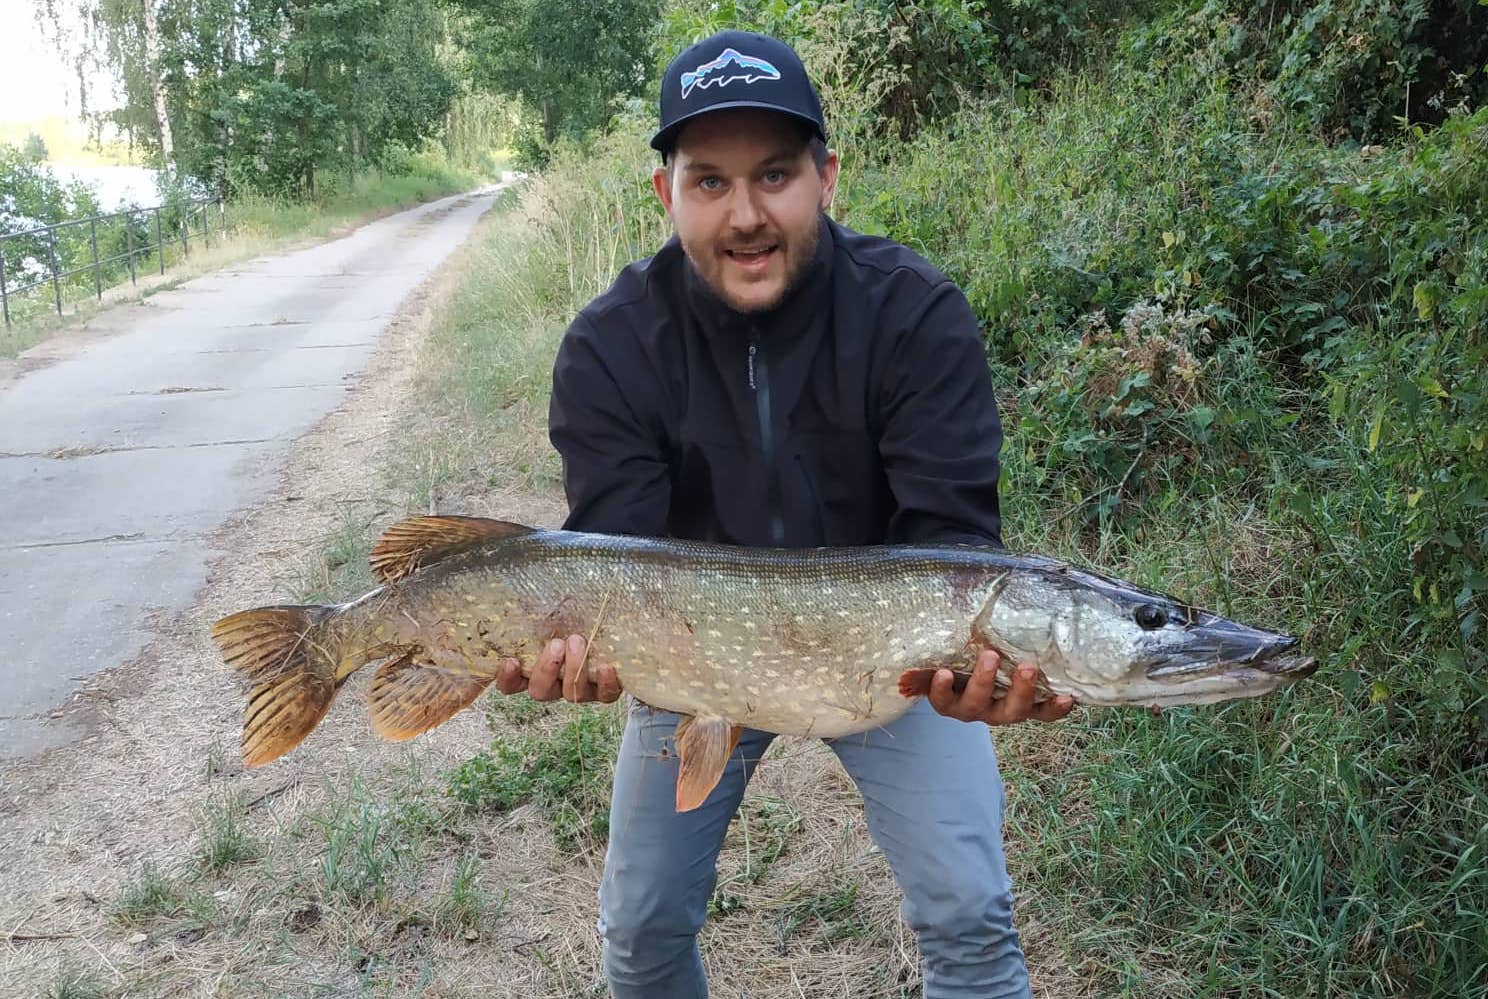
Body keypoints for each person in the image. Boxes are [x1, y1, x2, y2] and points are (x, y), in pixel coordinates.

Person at [495, 29, 1075, 998]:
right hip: (694, 661)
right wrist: (583, 653)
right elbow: (614, 564)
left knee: (970, 918)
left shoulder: (914, 313)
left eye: (774, 174)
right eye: (709, 182)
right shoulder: (610, 345)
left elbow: (950, 543)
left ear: (826, 176)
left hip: (894, 659)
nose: (747, 214)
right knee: (639, 932)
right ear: (665, 195)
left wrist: (979, 670)